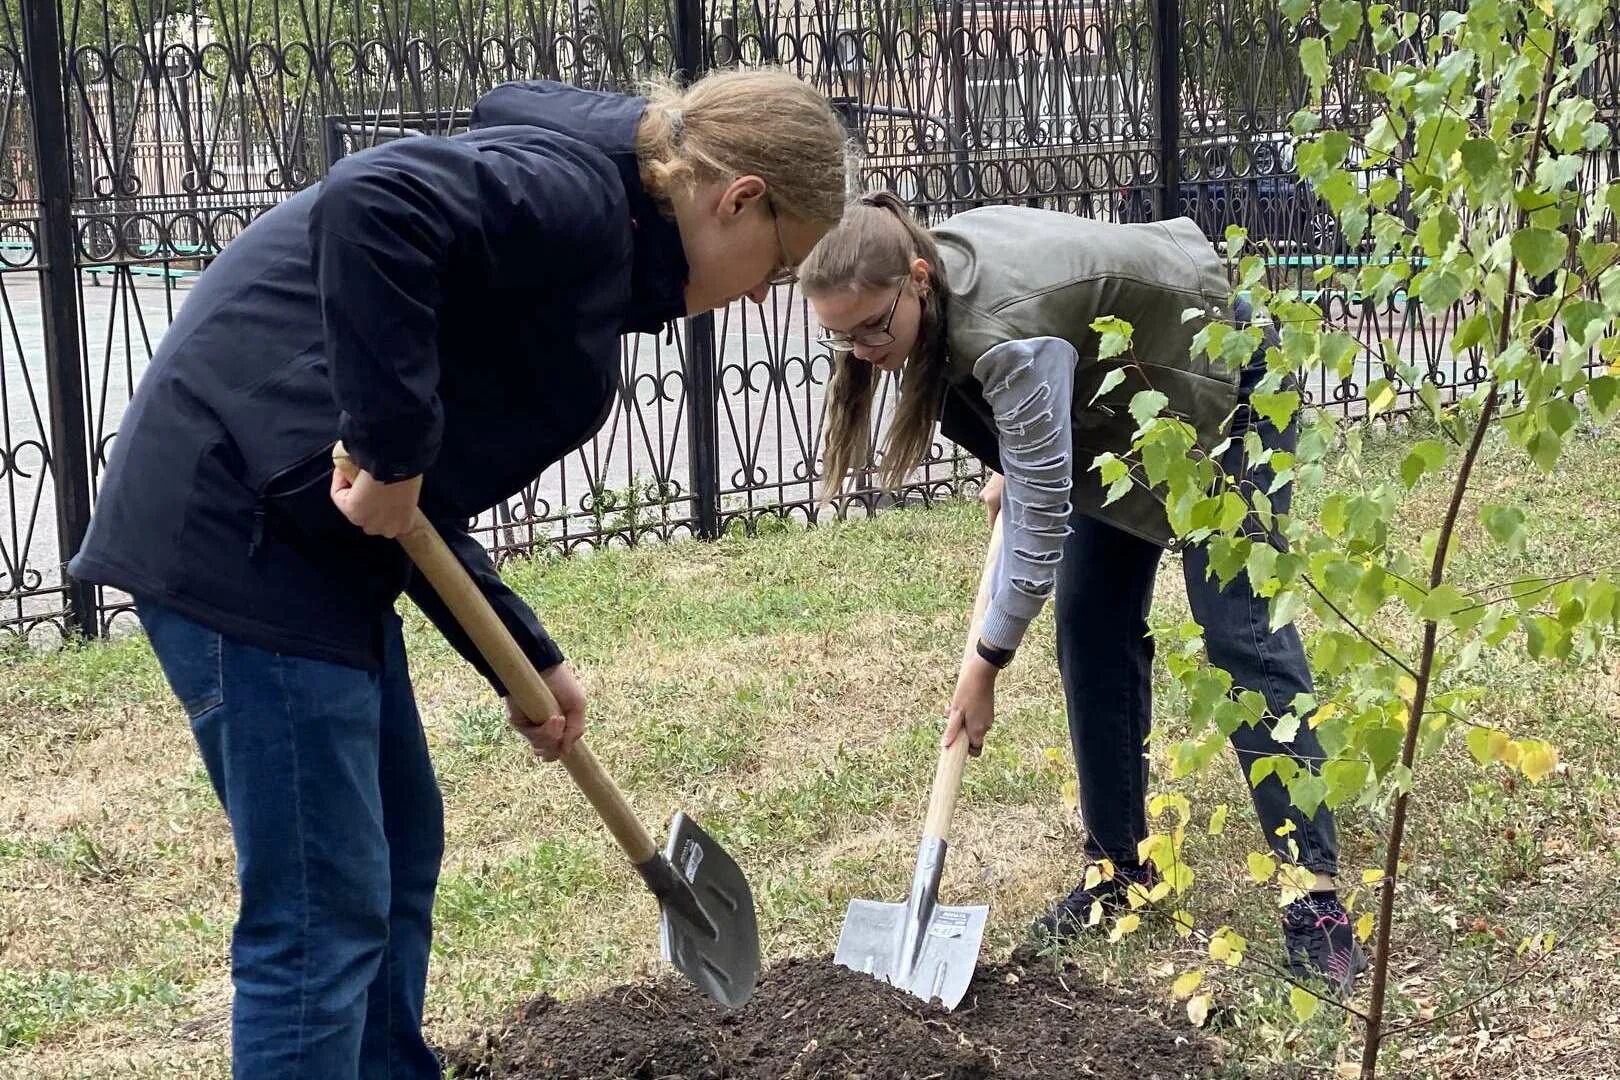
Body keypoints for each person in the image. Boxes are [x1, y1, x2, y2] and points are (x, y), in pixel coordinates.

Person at [69, 70, 852, 1078]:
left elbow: (415, 497)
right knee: (319, 914)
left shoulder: (600, 240)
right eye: (776, 265)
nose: (757, 293)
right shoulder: (575, 194)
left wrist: (526, 656)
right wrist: (390, 451)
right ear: (738, 198)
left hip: (308, 535)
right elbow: (371, 204)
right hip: (240, 527)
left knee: (395, 855)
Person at [799, 192, 1367, 995]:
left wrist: (983, 668)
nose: (861, 352)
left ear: (918, 279)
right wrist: (1021, 457)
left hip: (1223, 380)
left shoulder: (1004, 329)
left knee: (1239, 631)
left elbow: (1036, 534)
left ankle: (1315, 899)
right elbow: (1051, 374)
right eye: (840, 337)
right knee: (1091, 624)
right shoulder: (934, 282)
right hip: (1126, 414)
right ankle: (1119, 869)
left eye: (871, 328)